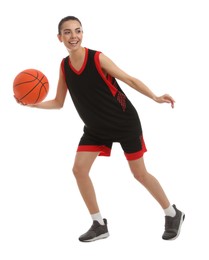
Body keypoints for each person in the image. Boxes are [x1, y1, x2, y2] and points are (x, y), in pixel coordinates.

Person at [18, 16, 185, 242]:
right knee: (79, 170)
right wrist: (32, 104)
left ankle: (172, 214)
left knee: (140, 174)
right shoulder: (64, 66)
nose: (73, 36)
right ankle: (98, 224)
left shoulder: (97, 58)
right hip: (96, 128)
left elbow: (128, 79)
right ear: (59, 38)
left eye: (77, 31)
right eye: (67, 32)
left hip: (124, 122)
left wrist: (154, 97)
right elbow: (58, 102)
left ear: (83, 33)